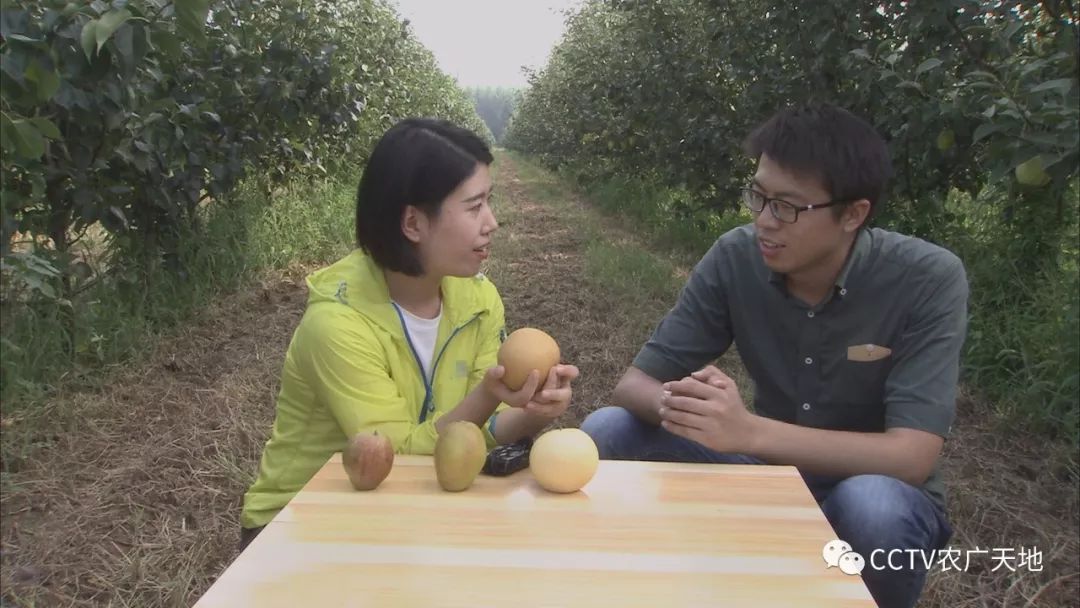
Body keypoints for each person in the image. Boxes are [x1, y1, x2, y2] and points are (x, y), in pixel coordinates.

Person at [580, 103, 967, 608]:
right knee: (609, 429)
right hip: (764, 474)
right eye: (758, 196)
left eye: (787, 206)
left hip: (877, 488)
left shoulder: (927, 279)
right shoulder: (735, 257)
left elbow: (911, 457)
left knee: (872, 506)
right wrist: (694, 411)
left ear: (853, 214)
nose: (764, 221)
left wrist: (749, 431)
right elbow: (633, 385)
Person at [240, 118, 580, 549]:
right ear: (413, 224)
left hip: (405, 510)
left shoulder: (477, 301)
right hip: (301, 522)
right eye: (475, 207)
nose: (492, 222)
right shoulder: (337, 325)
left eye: (489, 203)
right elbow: (395, 458)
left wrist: (534, 410)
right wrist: (489, 393)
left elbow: (470, 436)